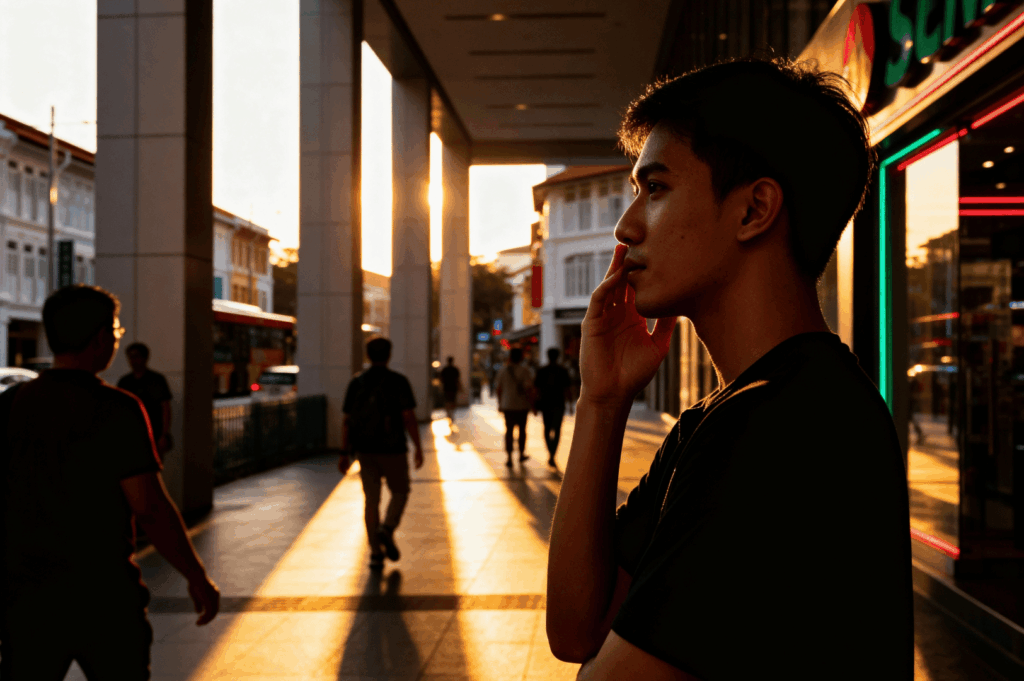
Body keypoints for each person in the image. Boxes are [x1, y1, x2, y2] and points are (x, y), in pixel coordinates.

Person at [546, 57, 912, 680]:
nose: (627, 227)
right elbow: (578, 628)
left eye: (655, 189)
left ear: (754, 210)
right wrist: (601, 403)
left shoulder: (789, 423)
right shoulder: (724, 416)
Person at [0, 285, 219, 680]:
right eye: (116, 332)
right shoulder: (117, 409)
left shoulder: (11, 403)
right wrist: (195, 575)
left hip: (25, 596)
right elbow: (149, 508)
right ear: (101, 338)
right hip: (103, 595)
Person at [340, 337, 424, 571]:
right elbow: (408, 416)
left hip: (365, 450)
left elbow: (347, 421)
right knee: (400, 491)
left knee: (371, 501)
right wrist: (417, 446)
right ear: (389, 355)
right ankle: (387, 528)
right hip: (393, 448)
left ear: (368, 355)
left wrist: (343, 453)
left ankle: (375, 553)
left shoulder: (357, 382)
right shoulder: (398, 381)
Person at [118, 342, 173, 456]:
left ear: (145, 358)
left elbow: (165, 408)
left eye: (136, 356)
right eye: (131, 357)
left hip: (154, 432)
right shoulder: (125, 381)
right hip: (131, 434)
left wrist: (163, 435)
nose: (133, 360)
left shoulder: (156, 380)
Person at [494, 347, 534, 467]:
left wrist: (500, 403)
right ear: (521, 357)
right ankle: (521, 454)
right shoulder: (525, 370)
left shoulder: (503, 370)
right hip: (522, 405)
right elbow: (528, 389)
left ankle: (509, 458)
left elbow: (499, 389)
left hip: (507, 405)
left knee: (509, 431)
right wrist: (532, 404)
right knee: (522, 431)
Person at [534, 348, 572, 467]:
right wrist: (570, 404)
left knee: (546, 428)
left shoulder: (542, 370)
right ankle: (552, 454)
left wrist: (535, 403)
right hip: (558, 404)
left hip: (546, 404)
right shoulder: (563, 370)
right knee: (557, 429)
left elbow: (537, 389)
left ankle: (550, 452)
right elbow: (567, 389)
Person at [439, 356, 463, 423]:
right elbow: (457, 379)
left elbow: (441, 379)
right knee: (452, 400)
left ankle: (449, 413)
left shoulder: (445, 369)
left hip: (447, 387)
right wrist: (460, 387)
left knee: (447, 400)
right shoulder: (454, 369)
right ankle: (451, 413)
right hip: (453, 387)